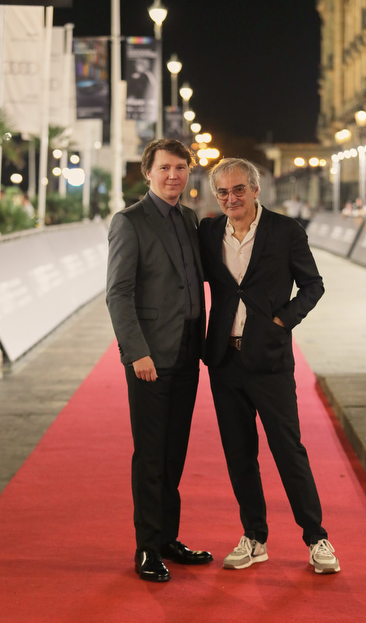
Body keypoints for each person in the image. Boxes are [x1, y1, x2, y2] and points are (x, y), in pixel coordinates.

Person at [198, 158, 340, 575]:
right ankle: (254, 537)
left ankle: (316, 538)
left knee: (288, 450)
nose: (231, 199)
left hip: (271, 360)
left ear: (255, 189)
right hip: (225, 360)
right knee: (239, 453)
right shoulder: (209, 232)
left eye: (238, 189)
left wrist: (283, 320)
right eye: (223, 192)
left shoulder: (285, 231)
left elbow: (313, 285)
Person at [106, 138, 213, 583]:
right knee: (151, 455)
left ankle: (168, 537)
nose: (173, 175)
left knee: (174, 453)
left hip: (188, 352)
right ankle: (147, 547)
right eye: (165, 167)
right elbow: (118, 294)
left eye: (181, 167)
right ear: (148, 172)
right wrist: (137, 353)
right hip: (150, 358)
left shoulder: (189, 219)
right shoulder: (129, 222)